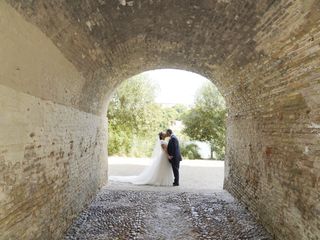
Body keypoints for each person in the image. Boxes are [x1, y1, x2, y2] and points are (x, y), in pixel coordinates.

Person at [109, 132, 173, 186]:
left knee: (163, 168)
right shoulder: (162, 141)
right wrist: (168, 156)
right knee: (162, 168)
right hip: (164, 156)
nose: (165, 133)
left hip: (163, 156)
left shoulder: (164, 141)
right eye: (164, 133)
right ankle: (160, 180)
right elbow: (164, 150)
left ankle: (162, 179)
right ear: (161, 136)